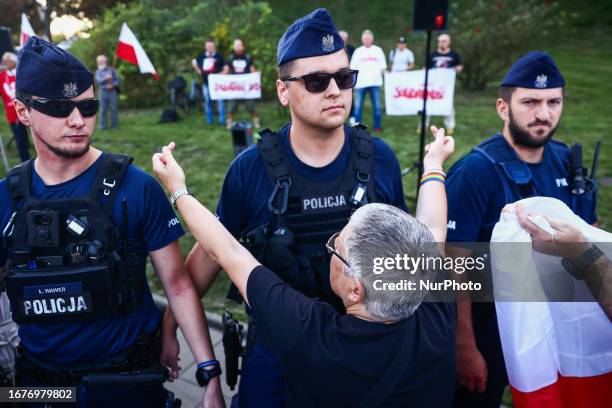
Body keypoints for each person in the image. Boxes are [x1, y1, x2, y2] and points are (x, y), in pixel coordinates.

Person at [160, 8, 410, 407]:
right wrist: (171, 322)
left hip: (363, 348)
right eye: (315, 81)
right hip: (278, 355)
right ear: (282, 91)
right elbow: (214, 249)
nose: (334, 90)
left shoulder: (379, 159)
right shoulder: (250, 170)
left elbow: (406, 257)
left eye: (344, 78)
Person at [152, 122, 456, 406]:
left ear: (354, 290)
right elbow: (434, 228)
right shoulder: (436, 311)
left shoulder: (311, 334)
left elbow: (230, 252)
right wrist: (433, 164)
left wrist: (177, 190)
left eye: (336, 249)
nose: (331, 250)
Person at [0, 37, 224, 407]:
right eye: (59, 108)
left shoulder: (135, 188)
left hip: (127, 381)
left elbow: (177, 284)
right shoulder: (6, 198)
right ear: (23, 112)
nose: (78, 121)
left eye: (87, 107)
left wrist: (209, 373)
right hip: (39, 386)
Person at [445, 51, 598, 408]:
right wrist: (464, 346)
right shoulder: (474, 173)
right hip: (490, 323)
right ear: (503, 107)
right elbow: (453, 263)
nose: (543, 114)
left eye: (553, 102)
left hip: (558, 317)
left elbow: (587, 232)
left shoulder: (565, 162)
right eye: (530, 102)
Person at [424, 33, 463, 135]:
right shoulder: (432, 55)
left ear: (449, 42)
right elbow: (426, 68)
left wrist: (457, 69)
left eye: (444, 41)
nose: (442, 43)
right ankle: (424, 125)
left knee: (448, 104)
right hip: (433, 85)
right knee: (427, 103)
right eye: (440, 41)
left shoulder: (454, 55)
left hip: (447, 86)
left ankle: (450, 126)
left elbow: (459, 66)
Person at [350, 29, 387, 132]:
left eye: (368, 38)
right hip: (360, 84)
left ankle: (377, 127)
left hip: (375, 83)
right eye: (365, 38)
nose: (367, 40)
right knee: (358, 107)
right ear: (362, 39)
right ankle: (358, 127)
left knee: (377, 107)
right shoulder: (358, 51)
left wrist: (389, 79)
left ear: (372, 39)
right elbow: (352, 68)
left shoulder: (378, 50)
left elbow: (383, 68)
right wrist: (352, 83)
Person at [223, 38, 260, 129]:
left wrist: (257, 74)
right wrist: (215, 76)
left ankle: (256, 121)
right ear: (234, 47)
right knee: (231, 105)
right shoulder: (230, 58)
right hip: (235, 87)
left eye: (239, 45)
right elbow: (226, 71)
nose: (238, 47)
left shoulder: (247, 57)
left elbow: (252, 70)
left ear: (243, 46)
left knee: (251, 105)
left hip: (246, 86)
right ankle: (229, 122)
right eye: (236, 45)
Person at [0, 52, 30, 162]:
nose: (4, 63)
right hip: (13, 113)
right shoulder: (1, 76)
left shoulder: (20, 73)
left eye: (7, 61)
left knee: (35, 133)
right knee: (20, 139)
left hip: (28, 110)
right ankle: (25, 161)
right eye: (4, 61)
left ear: (13, 62)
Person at [193, 39, 225, 126]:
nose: (210, 47)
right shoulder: (201, 56)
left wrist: (221, 74)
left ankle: (222, 121)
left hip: (218, 84)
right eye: (208, 46)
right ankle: (209, 121)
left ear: (214, 46)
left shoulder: (219, 56)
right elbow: (194, 63)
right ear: (205, 47)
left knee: (220, 102)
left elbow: (225, 67)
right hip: (206, 83)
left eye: (211, 46)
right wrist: (198, 70)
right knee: (208, 102)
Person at [94, 54, 120, 130]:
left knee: (114, 108)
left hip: (112, 91)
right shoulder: (98, 71)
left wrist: (113, 85)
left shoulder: (112, 70)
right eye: (99, 61)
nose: (101, 62)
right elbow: (98, 81)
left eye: (102, 60)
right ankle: (102, 126)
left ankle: (115, 126)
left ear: (106, 61)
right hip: (103, 91)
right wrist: (106, 78)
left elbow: (117, 80)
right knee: (102, 109)